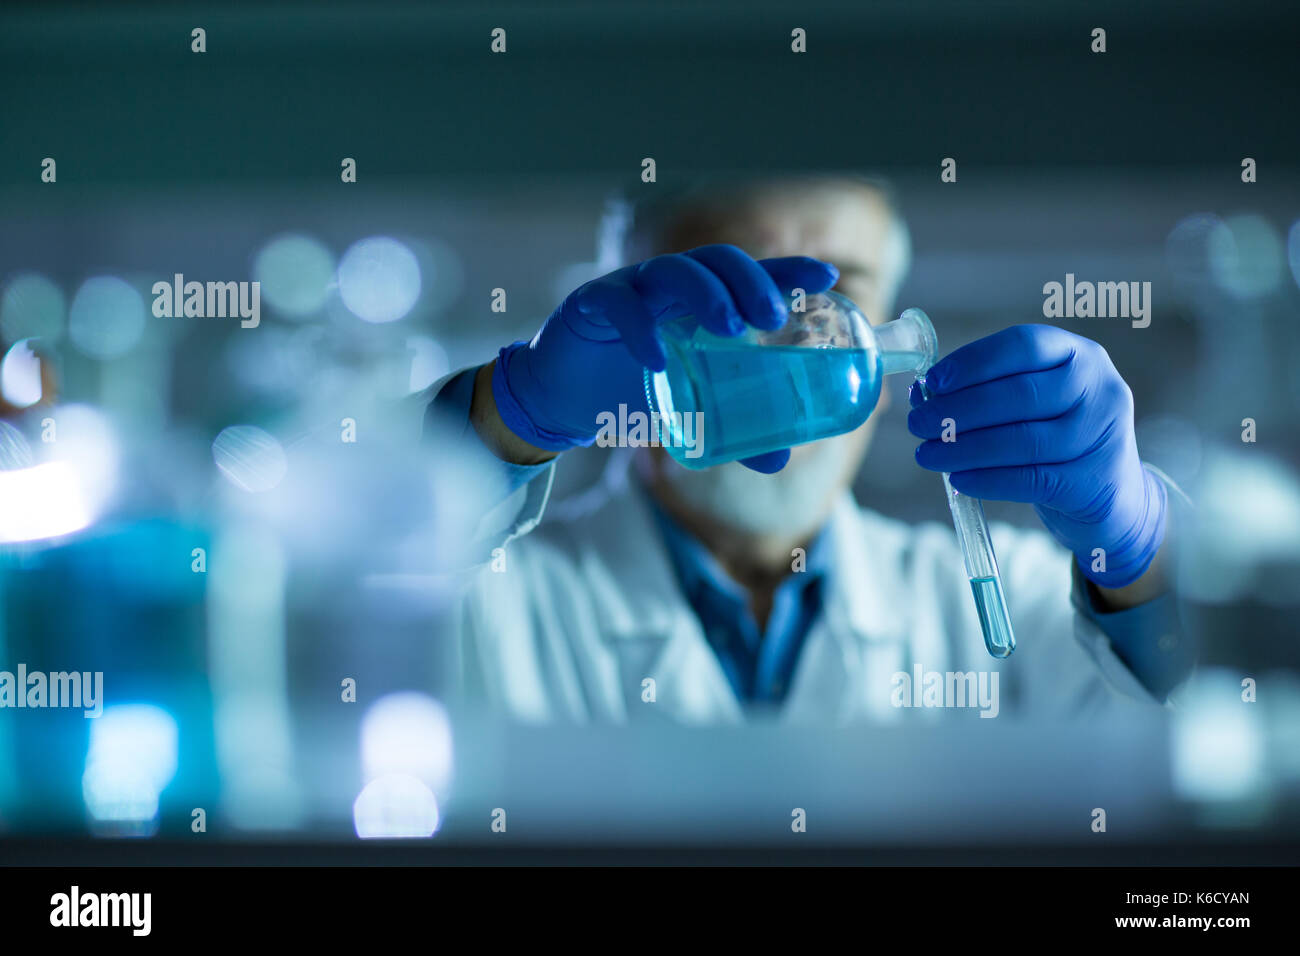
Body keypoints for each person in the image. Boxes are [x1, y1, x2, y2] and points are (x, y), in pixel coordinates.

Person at [425, 173, 1191, 724]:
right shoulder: (486, 599)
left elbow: (1206, 728)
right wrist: (512, 411)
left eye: (837, 303)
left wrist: (1139, 552)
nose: (794, 350)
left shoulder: (1001, 610)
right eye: (737, 301)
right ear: (632, 322)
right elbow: (340, 555)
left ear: (886, 373)